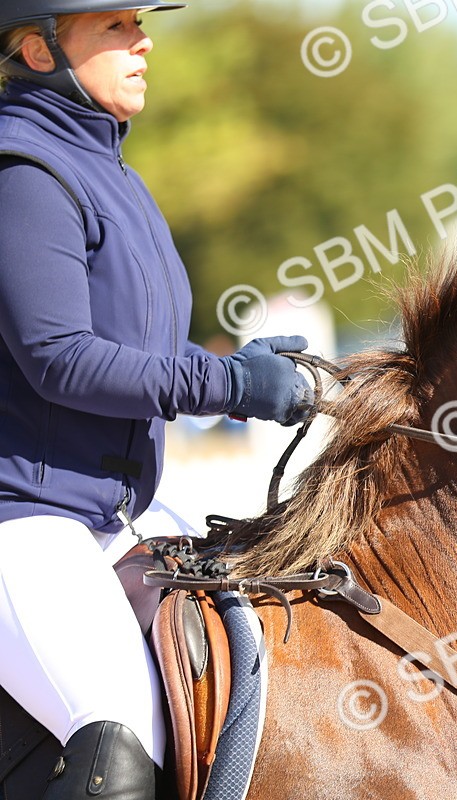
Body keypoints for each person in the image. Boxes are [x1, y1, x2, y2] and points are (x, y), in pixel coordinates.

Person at [0, 3, 312, 797]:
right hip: (24, 518)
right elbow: (58, 360)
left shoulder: (116, 178)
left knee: (257, 672)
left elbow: (141, 352)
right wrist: (231, 388)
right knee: (118, 742)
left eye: (139, 22)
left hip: (112, 515)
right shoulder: (23, 175)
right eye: (113, 27)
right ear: (38, 49)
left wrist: (241, 367)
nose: (143, 41)